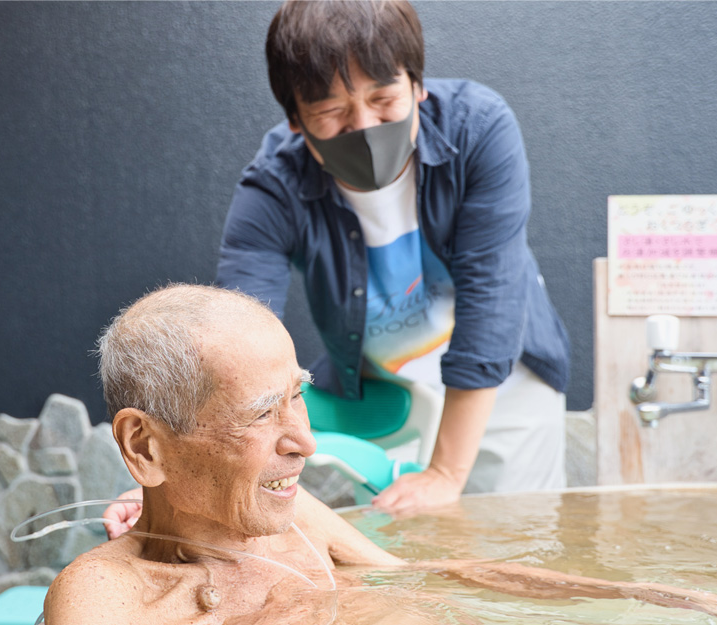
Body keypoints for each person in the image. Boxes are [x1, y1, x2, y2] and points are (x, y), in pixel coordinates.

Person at [45, 284, 717, 625]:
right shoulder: (104, 605)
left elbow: (432, 574)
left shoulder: (290, 523)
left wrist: (674, 599)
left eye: (298, 394)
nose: (304, 439)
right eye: (260, 412)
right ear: (146, 447)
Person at [217, 0, 570, 514]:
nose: (363, 126)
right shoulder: (274, 186)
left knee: (516, 543)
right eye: (332, 112)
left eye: (383, 98)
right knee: (400, 562)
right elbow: (237, 335)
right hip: (384, 395)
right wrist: (177, 479)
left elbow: (491, 290)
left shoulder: (478, 129)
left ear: (417, 86)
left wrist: (447, 473)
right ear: (296, 119)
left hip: (503, 387)